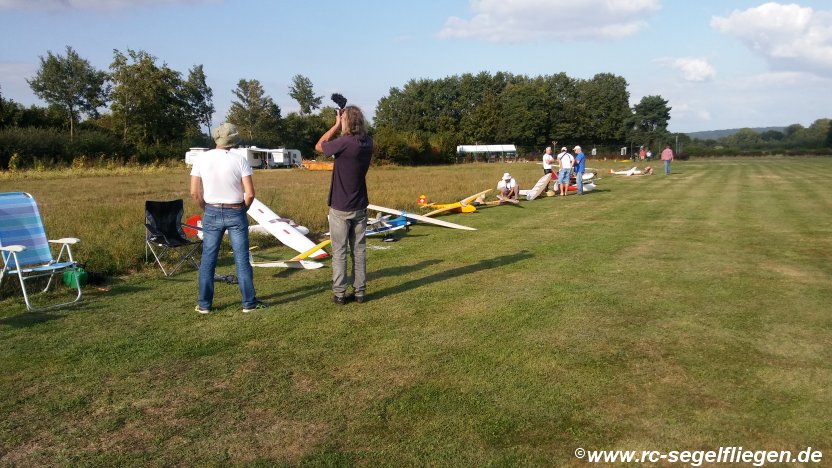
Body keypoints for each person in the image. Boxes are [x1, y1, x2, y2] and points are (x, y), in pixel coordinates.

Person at [189, 122, 265, 314]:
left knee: (208, 259)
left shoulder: (201, 159)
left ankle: (204, 304)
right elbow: (250, 194)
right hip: (236, 210)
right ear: (233, 141)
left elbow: (194, 193)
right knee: (241, 258)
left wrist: (205, 208)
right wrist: (242, 210)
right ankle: (249, 303)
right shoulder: (240, 160)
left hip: (211, 211)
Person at [315, 106, 373, 305]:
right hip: (360, 204)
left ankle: (340, 293)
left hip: (340, 206)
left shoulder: (343, 142)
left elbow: (319, 145)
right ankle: (360, 292)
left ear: (346, 121)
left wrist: (336, 125)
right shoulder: (368, 142)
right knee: (359, 250)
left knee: (339, 252)